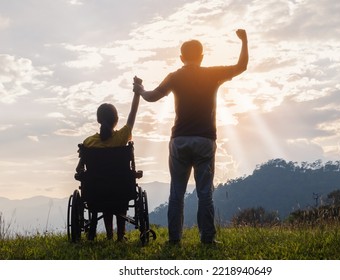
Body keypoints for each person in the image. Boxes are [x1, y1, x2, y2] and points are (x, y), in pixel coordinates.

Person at [133, 29, 248, 244]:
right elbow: (241, 67)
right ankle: (208, 238)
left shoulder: (175, 76)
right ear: (202, 57)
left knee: (176, 193)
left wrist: (140, 89)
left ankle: (174, 239)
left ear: (181, 58)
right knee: (205, 194)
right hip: (205, 140)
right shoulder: (212, 74)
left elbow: (151, 97)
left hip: (180, 140)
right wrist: (244, 40)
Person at [77, 77, 141, 241]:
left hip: (95, 192)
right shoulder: (122, 138)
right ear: (116, 120)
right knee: (117, 194)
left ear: (98, 120)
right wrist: (137, 93)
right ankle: (121, 235)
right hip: (121, 190)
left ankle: (109, 235)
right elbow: (132, 114)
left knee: (103, 192)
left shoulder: (88, 143)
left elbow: (79, 169)